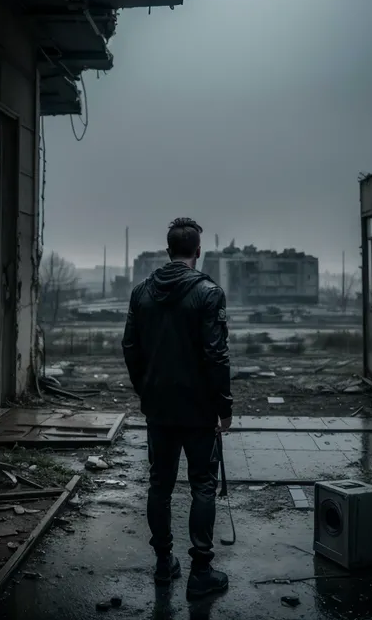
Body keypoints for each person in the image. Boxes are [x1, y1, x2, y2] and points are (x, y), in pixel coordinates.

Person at [122, 218, 233, 600]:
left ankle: (163, 564)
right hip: (199, 409)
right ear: (197, 251)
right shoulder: (208, 293)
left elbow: (130, 347)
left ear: (168, 250)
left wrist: (146, 391)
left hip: (160, 409)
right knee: (203, 484)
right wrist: (224, 406)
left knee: (160, 483)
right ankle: (201, 572)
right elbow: (216, 355)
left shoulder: (141, 293)